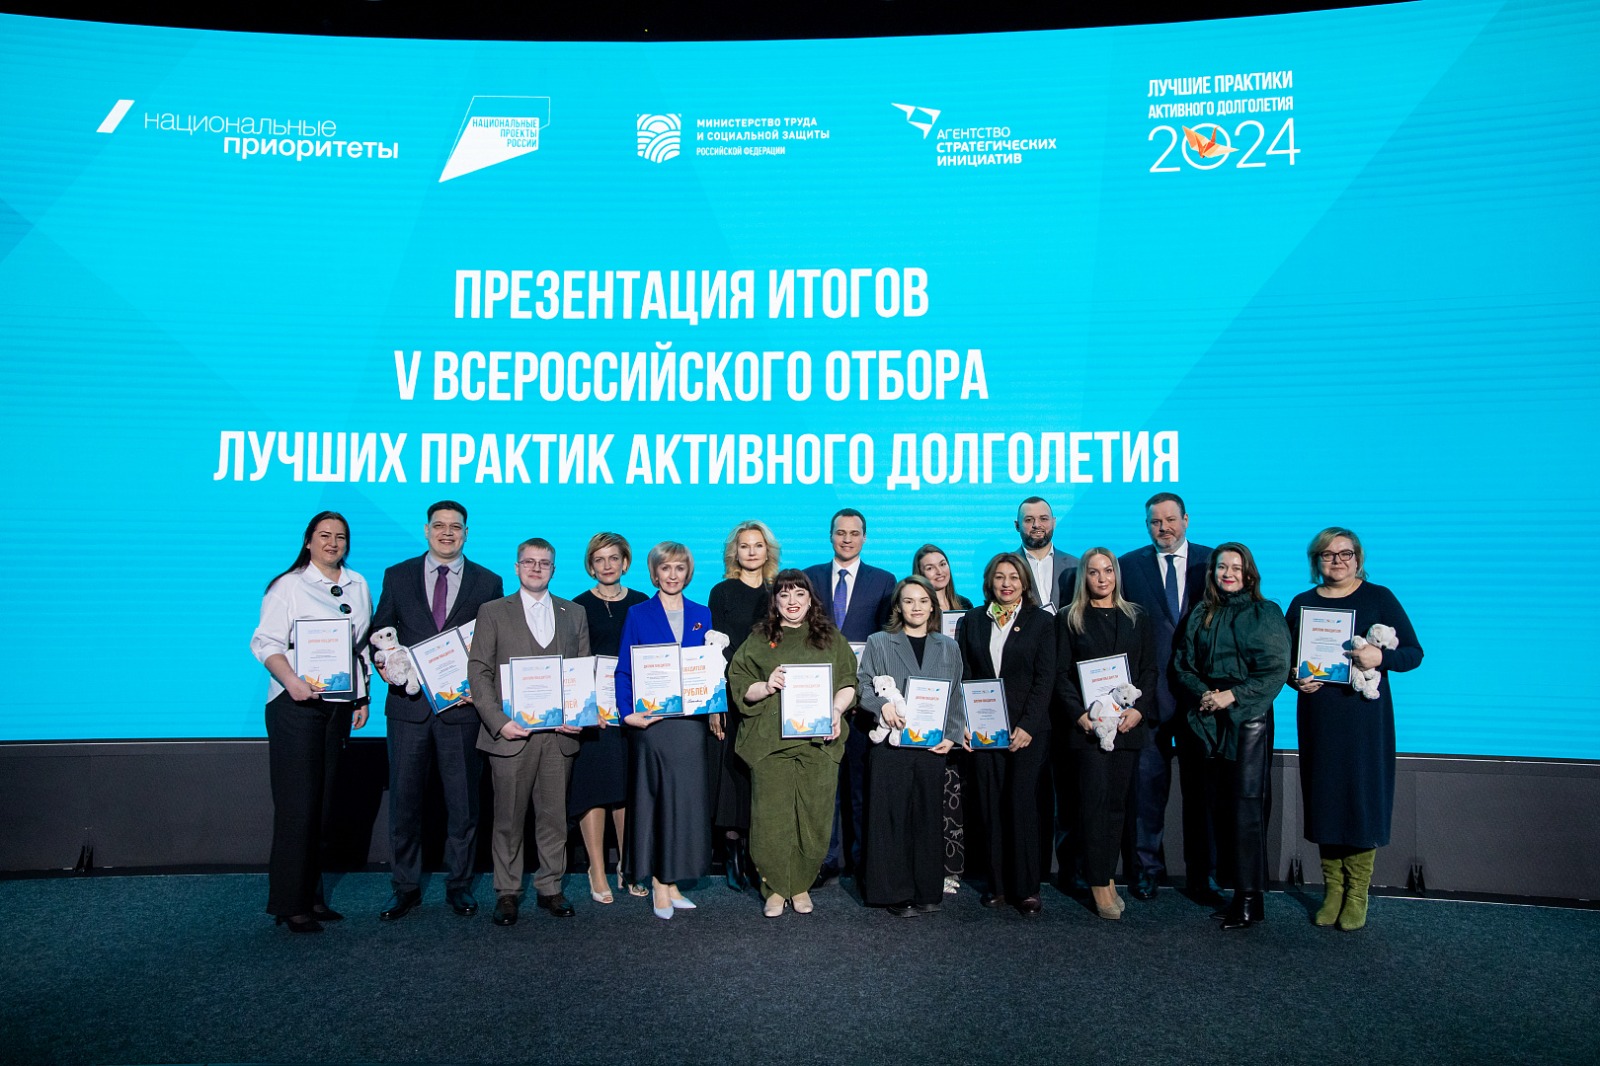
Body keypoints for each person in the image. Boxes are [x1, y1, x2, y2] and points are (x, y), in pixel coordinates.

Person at [369, 500, 504, 922]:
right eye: (440, 525)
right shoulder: (397, 575)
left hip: (461, 710)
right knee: (405, 803)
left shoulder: (488, 582)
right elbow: (379, 631)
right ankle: (405, 887)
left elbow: (494, 646)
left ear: (466, 533)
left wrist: (480, 690)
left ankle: (459, 885)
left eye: (456, 527)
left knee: (463, 806)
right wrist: (384, 663)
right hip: (408, 709)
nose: (448, 532)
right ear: (427, 530)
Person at [1287, 528, 1423, 931]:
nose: (1337, 561)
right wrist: (1295, 679)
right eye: (1328, 554)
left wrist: (1380, 657)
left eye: (1345, 553)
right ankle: (1333, 890)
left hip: (1365, 720)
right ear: (1316, 561)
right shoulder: (1302, 603)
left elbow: (1414, 653)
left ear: (1358, 558)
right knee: (1326, 801)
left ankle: (1357, 893)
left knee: (1361, 801)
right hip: (1319, 717)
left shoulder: (1379, 597)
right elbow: (1287, 661)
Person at [250, 511, 372, 933]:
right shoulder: (288, 585)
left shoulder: (358, 584)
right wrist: (292, 681)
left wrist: (361, 696)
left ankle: (312, 897)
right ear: (308, 541)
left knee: (322, 807)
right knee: (297, 806)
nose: (332, 543)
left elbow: (359, 647)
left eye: (340, 537)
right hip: (294, 705)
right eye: (324, 535)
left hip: (337, 704)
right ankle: (289, 903)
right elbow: (265, 643)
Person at [466, 538, 591, 927]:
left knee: (554, 818)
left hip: (559, 735)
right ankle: (507, 891)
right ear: (517, 567)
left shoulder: (574, 613)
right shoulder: (492, 611)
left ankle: (550, 887)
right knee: (507, 819)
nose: (536, 568)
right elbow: (478, 670)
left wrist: (579, 713)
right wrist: (498, 720)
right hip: (511, 734)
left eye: (544, 563)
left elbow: (582, 669)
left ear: (553, 569)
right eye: (529, 562)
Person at [1173, 542, 1289, 930]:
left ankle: (1249, 898)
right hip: (1207, 719)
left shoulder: (1265, 613)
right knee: (1216, 809)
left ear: (1249, 573)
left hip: (1248, 720)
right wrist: (1205, 693)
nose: (1228, 574)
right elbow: (1183, 665)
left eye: (1236, 568)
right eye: (1222, 567)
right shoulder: (1201, 613)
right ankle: (1233, 891)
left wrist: (1231, 696)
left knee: (1247, 809)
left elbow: (1275, 670)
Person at [728, 570, 858, 916]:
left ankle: (800, 884)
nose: (792, 601)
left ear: (810, 599)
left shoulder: (830, 638)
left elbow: (848, 682)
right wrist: (767, 685)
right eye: (784, 595)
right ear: (775, 601)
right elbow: (740, 684)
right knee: (771, 818)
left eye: (799, 594)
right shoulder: (759, 638)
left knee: (815, 817)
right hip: (770, 744)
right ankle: (774, 887)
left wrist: (835, 710)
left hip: (818, 744)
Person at [1117, 492, 1213, 902]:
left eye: (1171, 520)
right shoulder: (1127, 565)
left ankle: (1203, 876)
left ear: (1186, 520)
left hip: (1200, 699)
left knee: (1201, 793)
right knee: (1146, 794)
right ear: (1147, 525)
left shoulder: (1213, 562)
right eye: (1156, 522)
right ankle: (1146, 871)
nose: (1164, 528)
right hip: (1149, 699)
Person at [1055, 549, 1158, 919]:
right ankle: (1098, 881)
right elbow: (1061, 674)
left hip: (1127, 727)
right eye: (1094, 572)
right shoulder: (1069, 618)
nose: (1102, 578)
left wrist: (1139, 710)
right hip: (1088, 731)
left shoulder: (1137, 616)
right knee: (1094, 806)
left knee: (1116, 808)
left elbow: (1149, 670)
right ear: (1084, 577)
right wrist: (1079, 715)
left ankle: (1107, 875)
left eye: (1108, 571)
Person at [615, 541, 714, 920]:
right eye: (665, 568)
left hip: (690, 726)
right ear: (654, 573)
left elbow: (709, 669)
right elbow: (624, 669)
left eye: (679, 568)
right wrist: (627, 714)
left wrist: (714, 705)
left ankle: (672, 882)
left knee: (684, 805)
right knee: (655, 804)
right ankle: (658, 882)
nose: (672, 575)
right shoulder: (638, 613)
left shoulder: (702, 613)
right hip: (653, 724)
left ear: (688, 573)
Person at [858, 576, 965, 916]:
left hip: (931, 746)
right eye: (908, 601)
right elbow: (862, 685)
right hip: (891, 745)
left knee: (927, 817)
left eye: (922, 600)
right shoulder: (879, 642)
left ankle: (926, 889)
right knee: (891, 819)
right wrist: (881, 706)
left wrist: (952, 733)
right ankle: (893, 892)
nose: (916, 607)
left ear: (933, 606)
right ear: (898, 607)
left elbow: (956, 692)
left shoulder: (948, 646)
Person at [956, 553, 1055, 915]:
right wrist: (964, 722)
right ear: (989, 582)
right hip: (984, 730)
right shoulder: (972, 620)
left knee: (1021, 804)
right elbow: (965, 674)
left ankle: (1026, 888)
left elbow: (1045, 679)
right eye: (999, 577)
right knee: (990, 805)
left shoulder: (1041, 621)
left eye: (1013, 576)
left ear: (1025, 582)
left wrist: (1027, 725)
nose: (1007, 583)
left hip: (1028, 732)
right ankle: (996, 885)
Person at [803, 508, 895, 882]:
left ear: (864, 537)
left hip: (863, 702)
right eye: (840, 532)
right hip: (816, 699)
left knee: (859, 786)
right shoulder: (809, 577)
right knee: (824, 786)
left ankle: (860, 859)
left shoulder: (884, 581)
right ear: (830, 535)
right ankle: (825, 858)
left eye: (854, 533)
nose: (847, 539)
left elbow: (887, 642)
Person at [569, 532, 650, 904]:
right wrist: (585, 707)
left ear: (625, 562)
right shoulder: (577, 606)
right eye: (599, 559)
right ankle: (597, 869)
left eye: (613, 558)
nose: (607, 565)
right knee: (594, 790)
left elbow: (651, 655)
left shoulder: (641, 602)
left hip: (632, 712)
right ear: (590, 565)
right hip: (595, 715)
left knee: (626, 791)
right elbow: (572, 661)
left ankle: (627, 866)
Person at [707, 520, 780, 892]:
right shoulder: (721, 592)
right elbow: (712, 651)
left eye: (758, 545)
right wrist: (715, 703)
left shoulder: (778, 592)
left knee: (763, 776)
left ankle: (759, 851)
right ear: (734, 552)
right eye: (744, 546)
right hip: (732, 696)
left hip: (771, 696)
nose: (751, 551)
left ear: (768, 551)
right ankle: (733, 850)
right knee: (733, 775)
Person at [914, 542, 974, 895]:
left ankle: (952, 868)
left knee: (955, 793)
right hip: (925, 709)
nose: (938, 572)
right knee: (928, 791)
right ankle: (924, 864)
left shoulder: (968, 607)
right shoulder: (916, 608)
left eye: (942, 564)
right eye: (929, 567)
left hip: (962, 706)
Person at [1015, 496, 1078, 612]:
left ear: (1053, 523)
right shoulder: (1006, 566)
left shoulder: (1076, 565)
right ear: (1017, 525)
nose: (1037, 525)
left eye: (1043, 519)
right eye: (1029, 520)